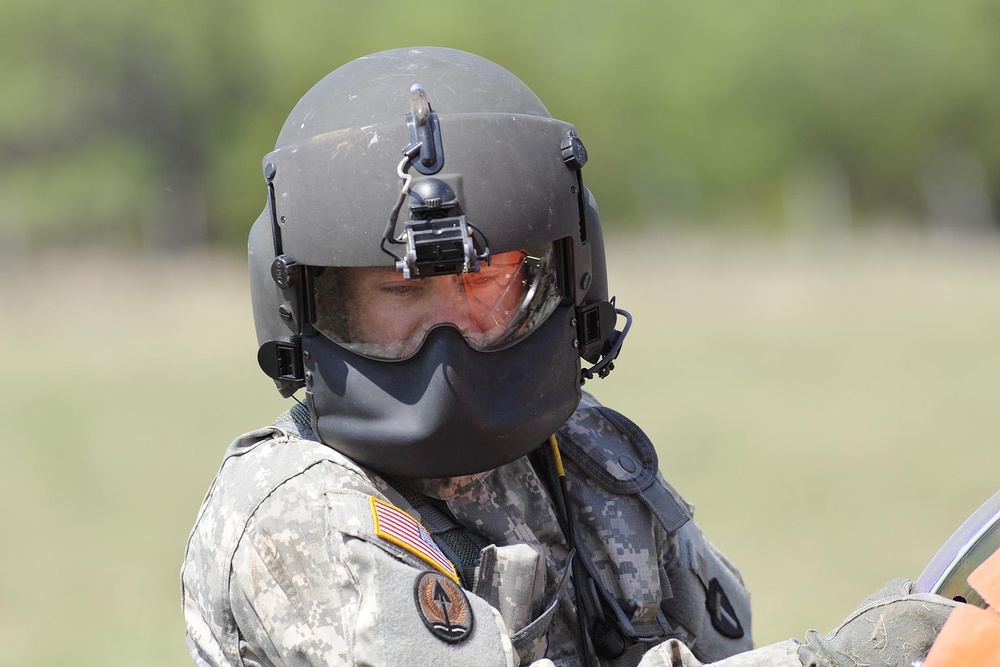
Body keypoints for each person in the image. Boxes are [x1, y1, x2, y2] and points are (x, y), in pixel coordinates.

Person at [181, 47, 956, 667]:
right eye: (400, 292)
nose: (448, 332)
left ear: (557, 274)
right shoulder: (300, 515)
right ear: (319, 307)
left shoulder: (593, 457)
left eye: (481, 278)